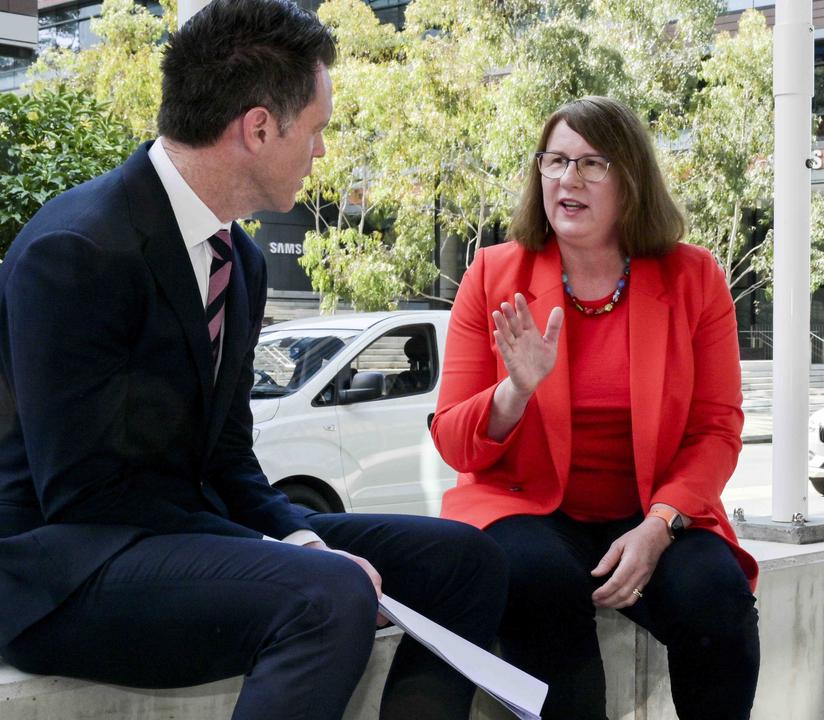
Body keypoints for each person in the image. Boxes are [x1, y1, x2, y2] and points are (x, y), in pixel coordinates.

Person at [0, 1, 507, 719]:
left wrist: (297, 532)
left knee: (465, 560)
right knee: (329, 593)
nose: (322, 152)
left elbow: (231, 460)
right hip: (65, 567)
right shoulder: (78, 251)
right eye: (318, 130)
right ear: (260, 127)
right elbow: (89, 497)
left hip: (179, 534)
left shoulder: (238, 259)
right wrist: (301, 556)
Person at [429, 95, 760, 719]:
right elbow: (452, 440)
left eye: (590, 163)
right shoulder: (492, 273)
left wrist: (660, 525)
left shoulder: (695, 277)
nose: (567, 179)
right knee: (535, 584)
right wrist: (514, 391)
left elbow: (718, 428)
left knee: (716, 599)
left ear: (631, 181)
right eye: (554, 161)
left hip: (653, 505)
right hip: (526, 507)